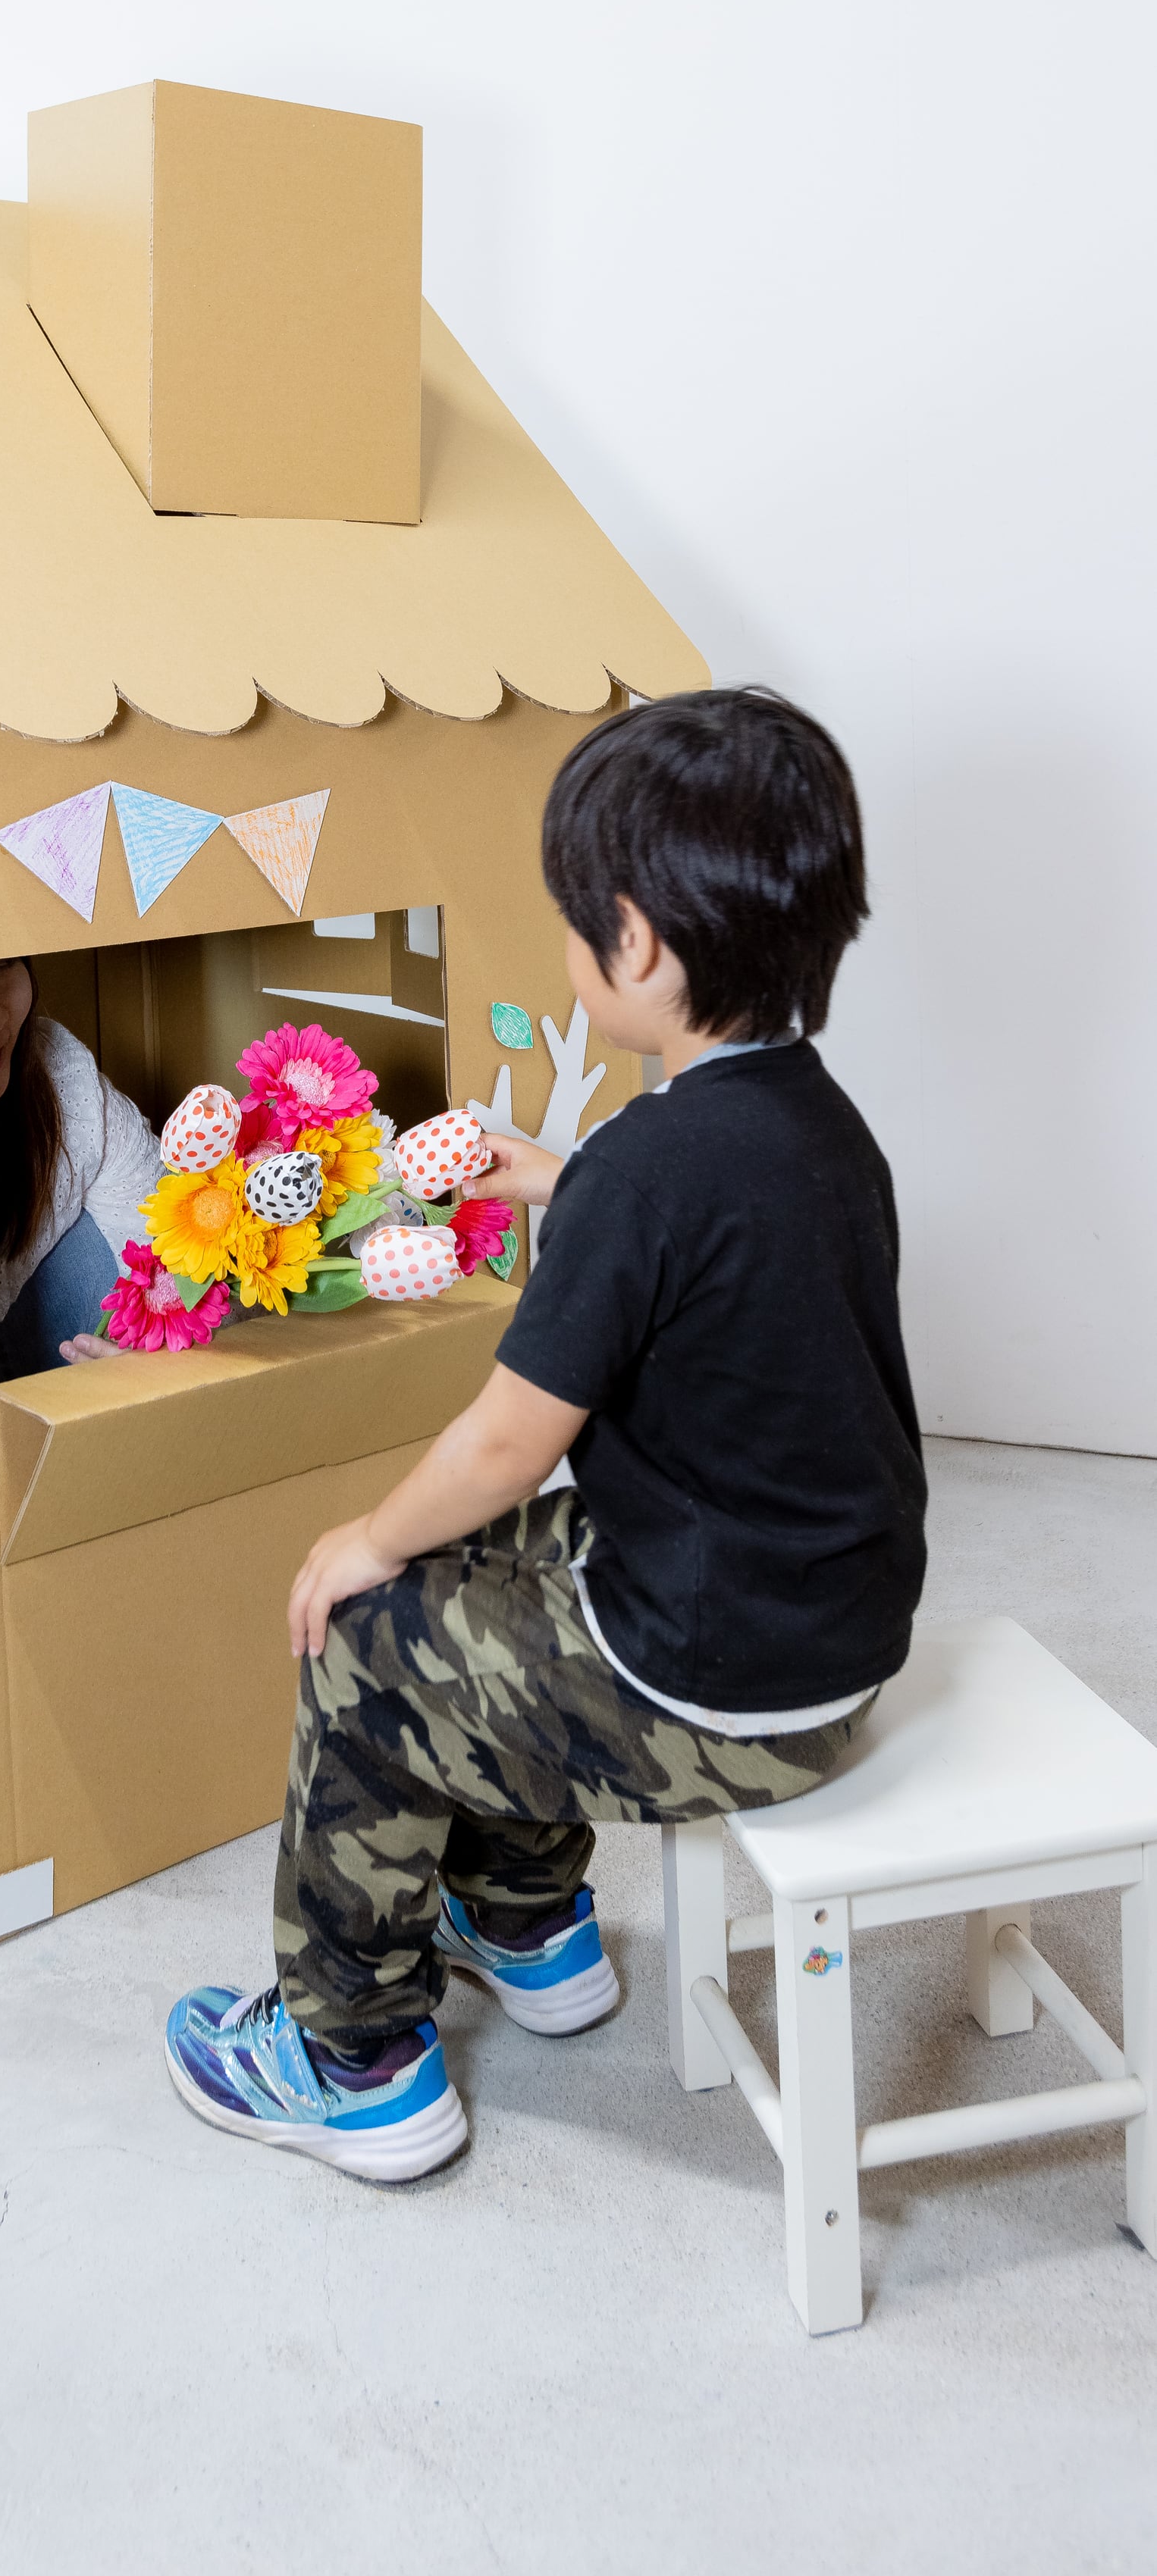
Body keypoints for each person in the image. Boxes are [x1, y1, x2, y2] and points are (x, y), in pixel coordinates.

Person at [163, 687, 928, 2182]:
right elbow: (712, 1231)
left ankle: (348, 2056)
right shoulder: (813, 1127)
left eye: (577, 924)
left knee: (372, 1630)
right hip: (830, 1638)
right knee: (508, 1563)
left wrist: (363, 1537)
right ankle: (526, 1925)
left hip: (713, 1690)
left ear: (632, 945)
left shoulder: (647, 1173)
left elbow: (506, 1442)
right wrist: (561, 1177)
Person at [0, 957, 165, 1382]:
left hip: (48, 1365)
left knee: (131, 1261)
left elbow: (173, 1238)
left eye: (1, 965)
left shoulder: (60, 1072)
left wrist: (156, 1361)